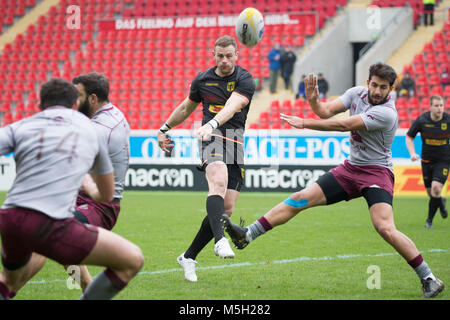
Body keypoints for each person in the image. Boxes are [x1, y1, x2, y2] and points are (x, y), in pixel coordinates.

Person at [222, 63, 445, 298]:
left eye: (384, 87)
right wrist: (313, 101)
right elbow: (326, 112)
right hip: (351, 169)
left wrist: (305, 123)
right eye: (375, 85)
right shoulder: (355, 93)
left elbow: (344, 124)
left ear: (391, 89)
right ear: (368, 82)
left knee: (385, 228)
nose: (378, 91)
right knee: (300, 199)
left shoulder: (387, 112)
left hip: (377, 173)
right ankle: (247, 235)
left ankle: (429, 278)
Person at [0, 78, 144, 300]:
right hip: (77, 201)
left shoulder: (26, 125)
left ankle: (80, 286)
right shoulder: (90, 127)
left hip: (88, 206)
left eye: (80, 94)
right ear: (73, 104)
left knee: (38, 247)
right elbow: (100, 187)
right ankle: (86, 287)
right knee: (48, 237)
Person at [157, 35, 255, 282]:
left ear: (236, 56)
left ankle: (188, 257)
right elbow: (185, 109)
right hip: (210, 138)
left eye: (229, 56)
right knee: (218, 181)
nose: (224, 61)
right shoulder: (202, 79)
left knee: (228, 208)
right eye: (220, 56)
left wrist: (212, 122)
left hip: (234, 139)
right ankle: (220, 240)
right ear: (214, 55)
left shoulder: (244, 79)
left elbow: (233, 106)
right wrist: (164, 128)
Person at [405, 95, 449, 228]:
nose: (439, 108)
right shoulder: (422, 120)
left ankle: (429, 221)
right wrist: (412, 153)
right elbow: (409, 137)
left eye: (441, 105)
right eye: (436, 106)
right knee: (432, 193)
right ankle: (441, 202)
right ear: (430, 107)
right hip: (426, 161)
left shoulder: (448, 120)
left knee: (436, 188)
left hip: (444, 161)